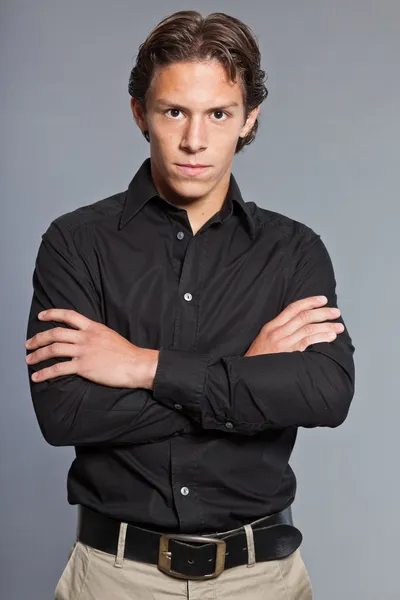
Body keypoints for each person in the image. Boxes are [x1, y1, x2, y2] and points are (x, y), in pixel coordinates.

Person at [25, 9, 355, 600]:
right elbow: (65, 414)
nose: (195, 140)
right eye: (174, 111)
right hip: (112, 579)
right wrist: (246, 376)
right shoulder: (75, 244)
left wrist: (142, 367)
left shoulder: (293, 251)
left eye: (219, 114)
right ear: (139, 113)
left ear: (249, 118)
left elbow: (326, 395)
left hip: (264, 581)